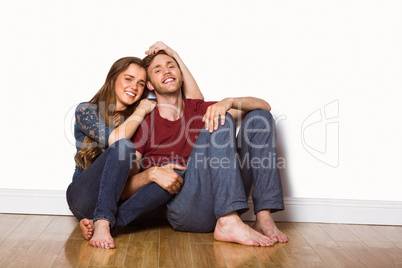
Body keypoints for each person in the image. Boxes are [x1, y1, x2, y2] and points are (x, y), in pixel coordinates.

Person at [125, 50, 289, 247]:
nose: (167, 72)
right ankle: (228, 221)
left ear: (180, 74)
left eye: (171, 66)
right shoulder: (145, 119)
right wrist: (152, 173)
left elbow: (265, 106)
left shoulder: (198, 108)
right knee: (221, 118)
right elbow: (126, 183)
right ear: (150, 84)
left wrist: (227, 101)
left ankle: (263, 218)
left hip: (224, 196)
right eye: (158, 70)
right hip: (186, 206)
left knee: (259, 118)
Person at [66, 42, 203, 249]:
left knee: (173, 173)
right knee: (124, 148)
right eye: (128, 79)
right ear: (113, 79)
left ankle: (108, 224)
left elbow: (195, 101)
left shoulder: (142, 117)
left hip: (120, 203)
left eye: (140, 83)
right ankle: (102, 221)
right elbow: (116, 141)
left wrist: (175, 55)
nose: (134, 87)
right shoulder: (87, 110)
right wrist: (141, 111)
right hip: (84, 197)